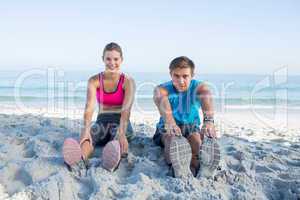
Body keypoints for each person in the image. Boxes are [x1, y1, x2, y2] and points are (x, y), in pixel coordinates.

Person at [63, 42, 135, 172]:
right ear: (103, 59)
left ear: (121, 60)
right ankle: (80, 159)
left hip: (121, 123)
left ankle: (109, 162)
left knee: (117, 139)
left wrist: (123, 133)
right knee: (89, 136)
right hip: (102, 121)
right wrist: (86, 130)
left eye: (116, 59)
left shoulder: (128, 81)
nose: (112, 62)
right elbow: (89, 107)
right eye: (108, 59)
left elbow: (126, 110)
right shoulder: (94, 80)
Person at [153, 56, 218, 178]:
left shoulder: (199, 87)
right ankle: (176, 167)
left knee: (196, 141)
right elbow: (160, 98)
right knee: (171, 140)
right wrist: (170, 122)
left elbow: (206, 95)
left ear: (192, 75)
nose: (180, 81)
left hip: (191, 126)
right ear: (170, 74)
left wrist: (209, 122)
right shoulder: (162, 89)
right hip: (167, 128)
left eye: (185, 76)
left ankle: (195, 167)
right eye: (176, 76)